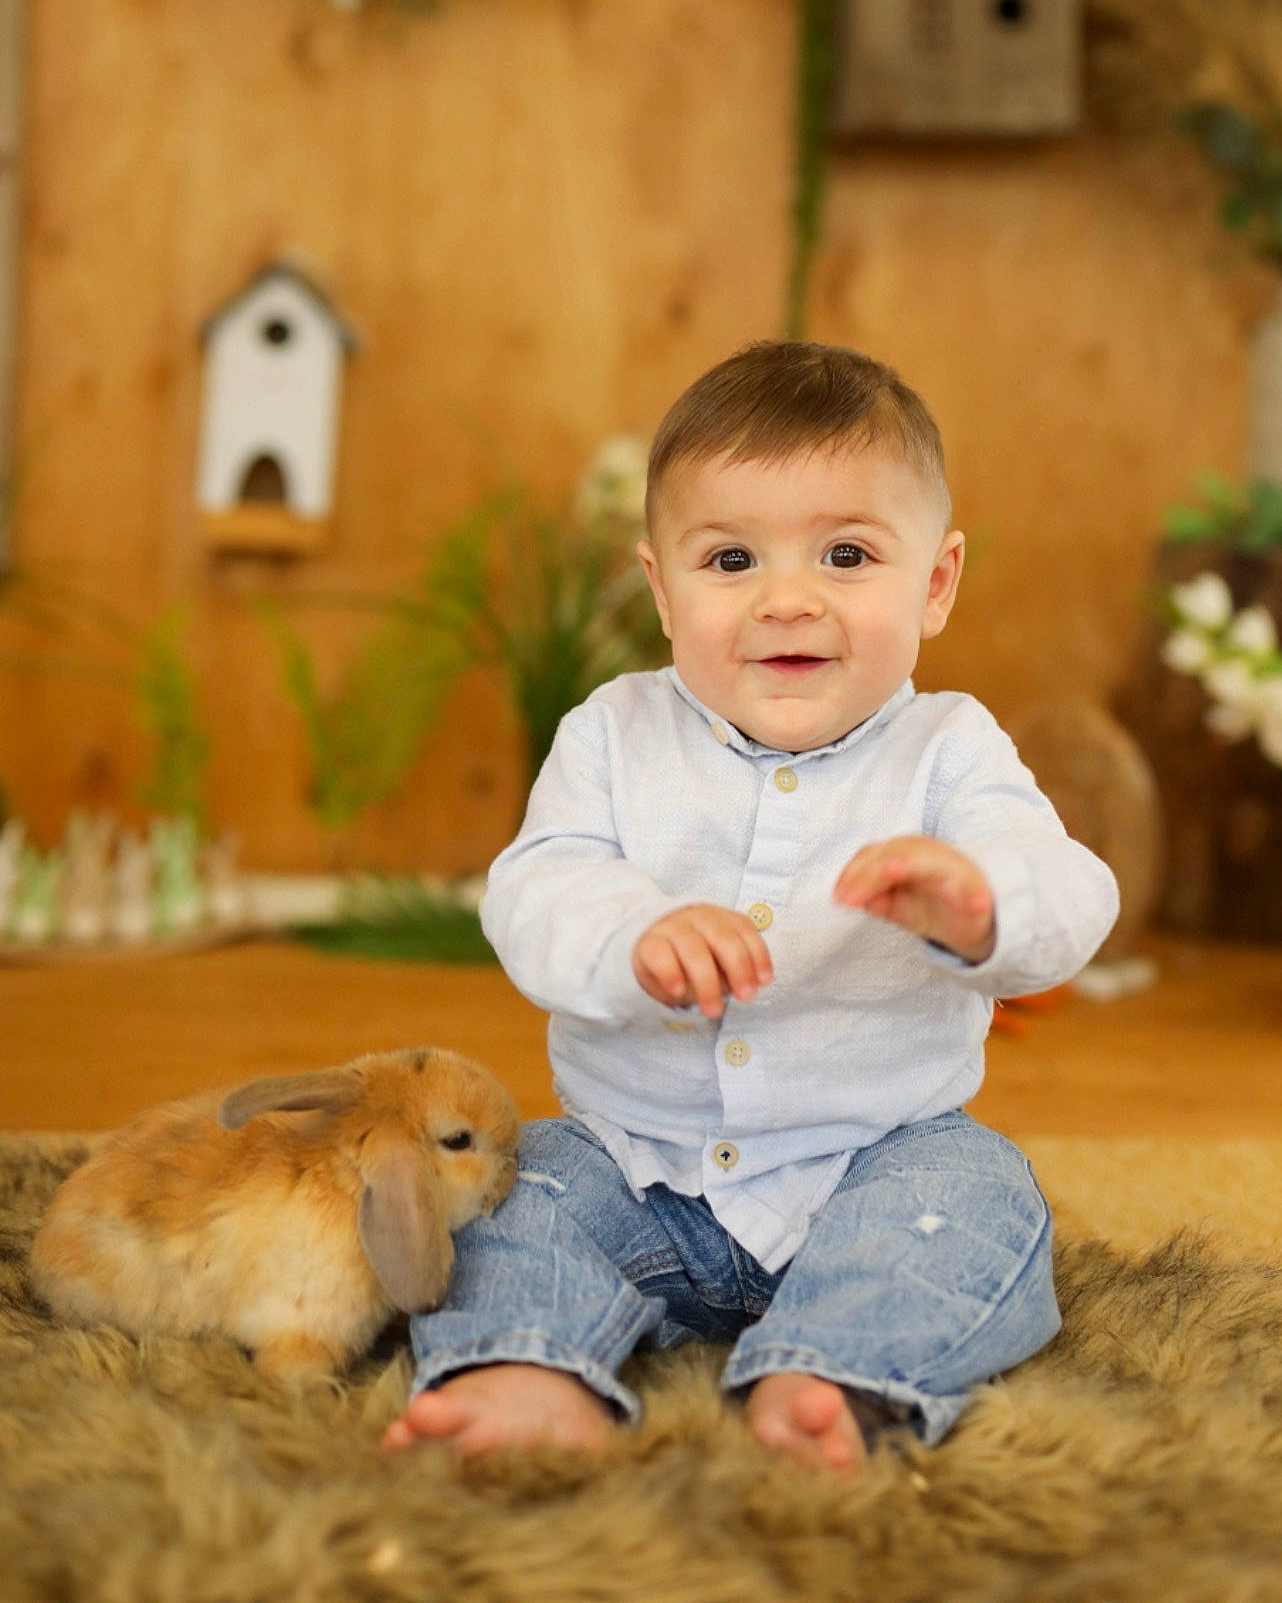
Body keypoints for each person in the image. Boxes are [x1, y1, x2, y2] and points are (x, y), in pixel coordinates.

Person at [382, 340, 1117, 1470]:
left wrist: (983, 906)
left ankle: (833, 1369)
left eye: (845, 554)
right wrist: (630, 931)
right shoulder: (613, 734)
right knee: (499, 1196)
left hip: (878, 1160)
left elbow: (1068, 885)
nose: (786, 600)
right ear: (661, 590)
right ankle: (524, 1364)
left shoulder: (949, 749)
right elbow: (535, 888)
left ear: (935, 583)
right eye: (730, 558)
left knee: (984, 1203)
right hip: (633, 1163)